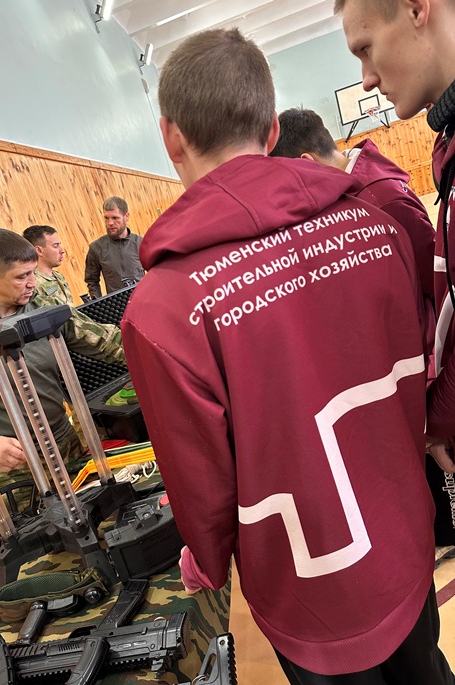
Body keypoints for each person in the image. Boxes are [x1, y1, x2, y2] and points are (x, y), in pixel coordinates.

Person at [121, 26, 453, 685]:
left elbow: (202, 486)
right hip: (403, 541)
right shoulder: (378, 225)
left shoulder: (162, 309)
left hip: (309, 587)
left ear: (170, 137)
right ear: (273, 129)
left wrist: (206, 560)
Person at [334, 0, 455, 548]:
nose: (366, 78)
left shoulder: (385, 198)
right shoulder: (446, 142)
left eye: (366, 49)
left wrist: (437, 418)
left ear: (416, 8)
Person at [0, 228, 124, 490]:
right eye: (22, 276)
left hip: (68, 448)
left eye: (33, 273)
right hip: (15, 473)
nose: (32, 283)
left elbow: (106, 341)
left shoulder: (42, 306)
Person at [271, 107, 435, 303]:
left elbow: (433, 280)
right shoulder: (355, 189)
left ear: (308, 163)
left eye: (293, 180)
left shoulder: (381, 200)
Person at [84, 196, 143, 298]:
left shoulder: (141, 243)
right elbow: (92, 281)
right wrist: (99, 303)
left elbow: (155, 273)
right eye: (106, 218)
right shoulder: (96, 248)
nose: (110, 223)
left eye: (115, 218)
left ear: (126, 216)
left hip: (144, 300)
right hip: (116, 305)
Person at [23, 224, 73, 304]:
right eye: (55, 246)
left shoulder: (57, 276)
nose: (62, 250)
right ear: (39, 250)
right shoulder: (32, 283)